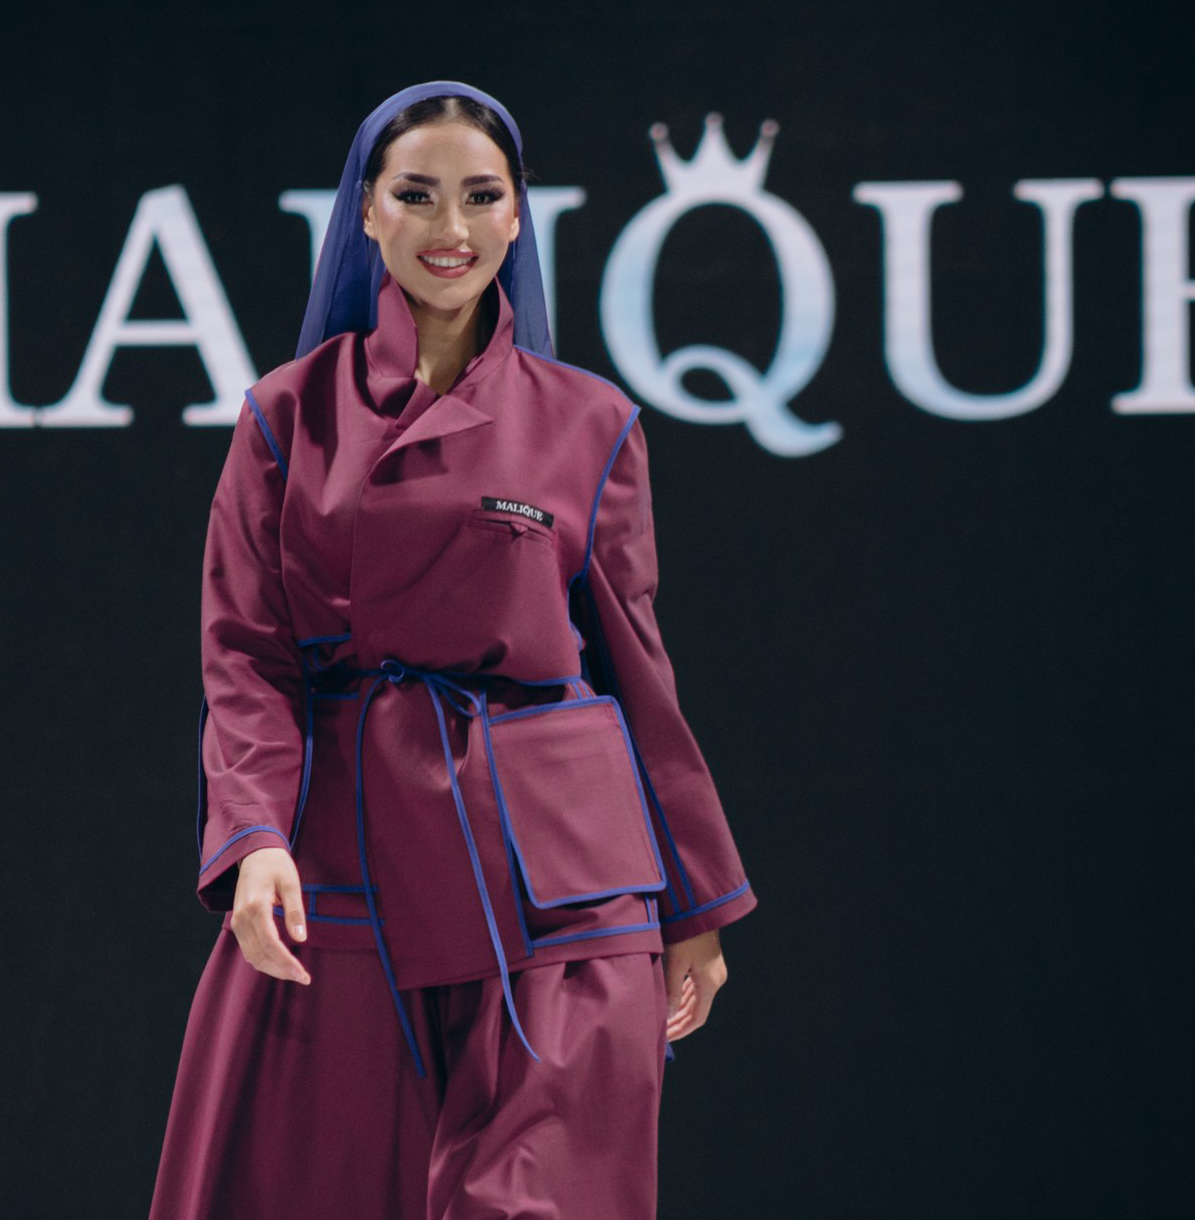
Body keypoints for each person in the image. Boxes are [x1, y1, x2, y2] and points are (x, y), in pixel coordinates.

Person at [148, 81, 757, 1220]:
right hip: (344, 860)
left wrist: (695, 901)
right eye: (417, 194)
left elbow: (636, 673)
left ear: (519, 215)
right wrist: (254, 835)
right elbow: (246, 656)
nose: (451, 227)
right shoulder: (287, 416)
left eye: (481, 196)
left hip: (559, 876)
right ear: (365, 211)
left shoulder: (590, 423)